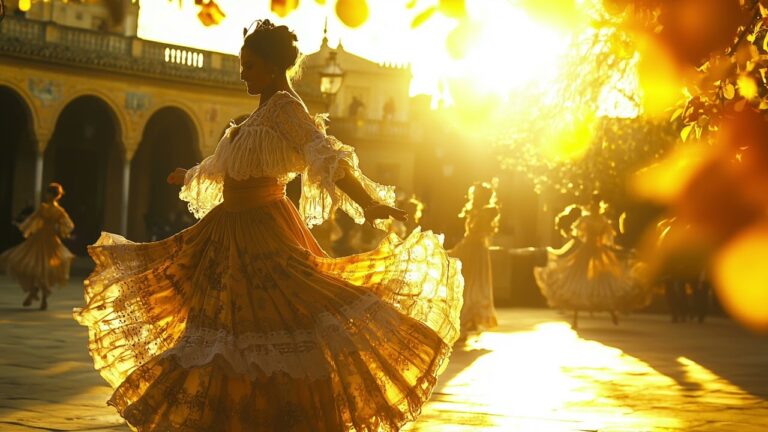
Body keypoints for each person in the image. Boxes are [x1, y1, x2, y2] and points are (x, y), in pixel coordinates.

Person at [74, 19, 463, 432]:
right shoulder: (262, 109)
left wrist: (368, 202)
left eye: (251, 65)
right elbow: (232, 165)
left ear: (275, 68)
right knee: (223, 330)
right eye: (243, 64)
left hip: (261, 230)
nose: (242, 73)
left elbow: (324, 155)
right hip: (227, 231)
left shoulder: (287, 109)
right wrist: (189, 174)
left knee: (270, 325)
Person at [534, 194, 650, 329]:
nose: (595, 206)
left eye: (597, 204)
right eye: (593, 204)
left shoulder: (603, 221)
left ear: (599, 206)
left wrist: (618, 250)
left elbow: (607, 241)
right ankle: (576, 319)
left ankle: (612, 312)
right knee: (577, 281)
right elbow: (578, 237)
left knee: (605, 282)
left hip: (599, 252)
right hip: (586, 252)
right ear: (591, 204)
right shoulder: (585, 219)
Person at [0, 182, 74, 310]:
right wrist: (25, 228)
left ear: (55, 196)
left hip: (51, 241)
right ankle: (34, 293)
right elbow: (33, 219)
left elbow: (68, 225)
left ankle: (41, 297)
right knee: (33, 267)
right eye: (48, 193)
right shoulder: (44, 208)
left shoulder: (58, 211)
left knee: (44, 269)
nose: (48, 196)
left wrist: (60, 231)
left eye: (50, 194)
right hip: (39, 239)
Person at [450, 181, 500, 337]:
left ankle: (466, 320)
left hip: (475, 250)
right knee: (466, 284)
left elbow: (478, 233)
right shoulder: (476, 211)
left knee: (473, 285)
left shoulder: (488, 211)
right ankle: (466, 320)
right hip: (471, 249)